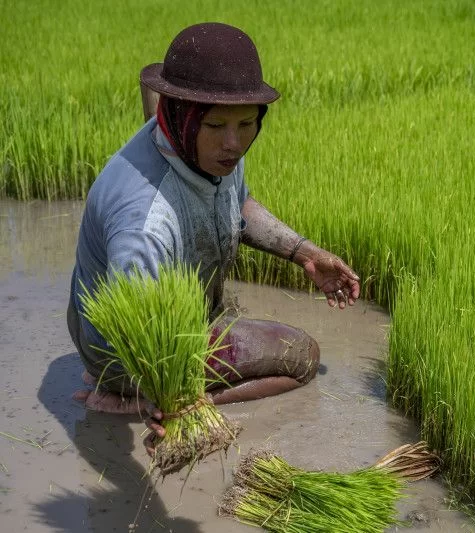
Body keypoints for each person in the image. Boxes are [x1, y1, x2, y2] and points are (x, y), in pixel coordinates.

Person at [68, 22, 360, 441]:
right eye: (218, 126)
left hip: (150, 323)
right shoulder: (145, 222)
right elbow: (136, 330)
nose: (234, 144)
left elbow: (234, 203)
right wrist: (166, 397)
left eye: (246, 124)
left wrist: (304, 253)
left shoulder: (196, 143)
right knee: (303, 357)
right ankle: (133, 396)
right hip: (129, 352)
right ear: (183, 117)